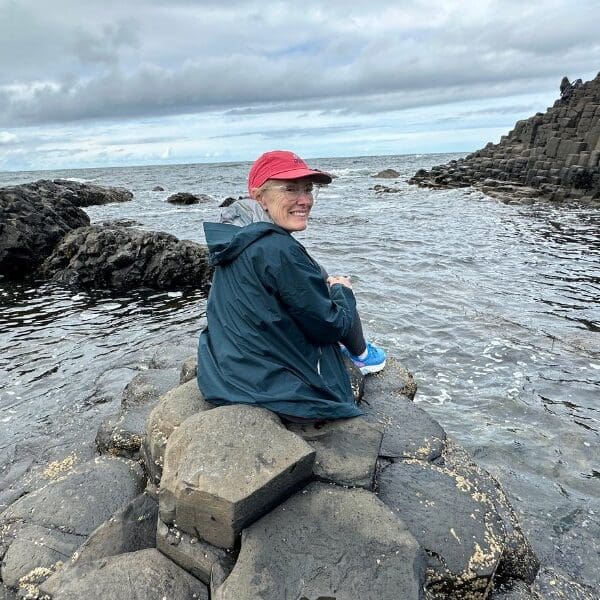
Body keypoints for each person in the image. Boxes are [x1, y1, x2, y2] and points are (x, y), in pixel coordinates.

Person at [197, 150, 386, 421]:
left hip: (223, 372)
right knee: (336, 285)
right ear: (259, 196)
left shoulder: (234, 240)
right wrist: (343, 292)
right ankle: (363, 355)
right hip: (270, 390)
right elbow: (330, 326)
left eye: (307, 189)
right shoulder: (278, 250)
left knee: (318, 275)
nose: (304, 200)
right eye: (290, 189)